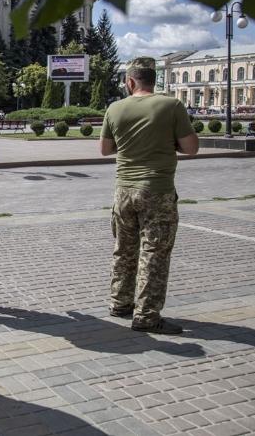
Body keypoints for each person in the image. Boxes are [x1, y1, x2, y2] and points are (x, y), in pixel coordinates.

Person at [99, 57, 199, 335]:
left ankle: (119, 303)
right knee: (154, 253)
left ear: (130, 82)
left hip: (123, 192)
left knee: (123, 250)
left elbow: (105, 149)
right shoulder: (171, 106)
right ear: (153, 79)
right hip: (157, 191)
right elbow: (191, 148)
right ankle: (146, 315)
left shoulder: (115, 108)